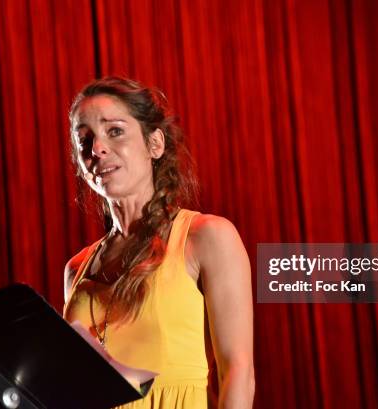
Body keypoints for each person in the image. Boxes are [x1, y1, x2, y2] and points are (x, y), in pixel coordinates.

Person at [62, 77, 255, 409]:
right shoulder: (76, 269)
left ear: (155, 144)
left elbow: (238, 372)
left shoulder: (206, 236)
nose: (97, 148)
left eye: (115, 131)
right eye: (85, 140)